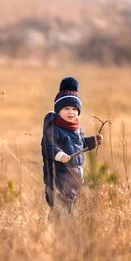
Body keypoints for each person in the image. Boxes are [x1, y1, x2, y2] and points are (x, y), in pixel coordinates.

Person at [41, 76, 103, 217]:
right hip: (59, 178)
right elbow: (48, 146)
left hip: (74, 178)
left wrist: (93, 141)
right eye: (66, 108)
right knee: (60, 210)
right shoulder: (54, 129)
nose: (71, 112)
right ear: (58, 111)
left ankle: (65, 232)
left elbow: (79, 145)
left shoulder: (76, 129)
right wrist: (59, 154)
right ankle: (54, 231)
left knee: (70, 209)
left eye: (75, 109)